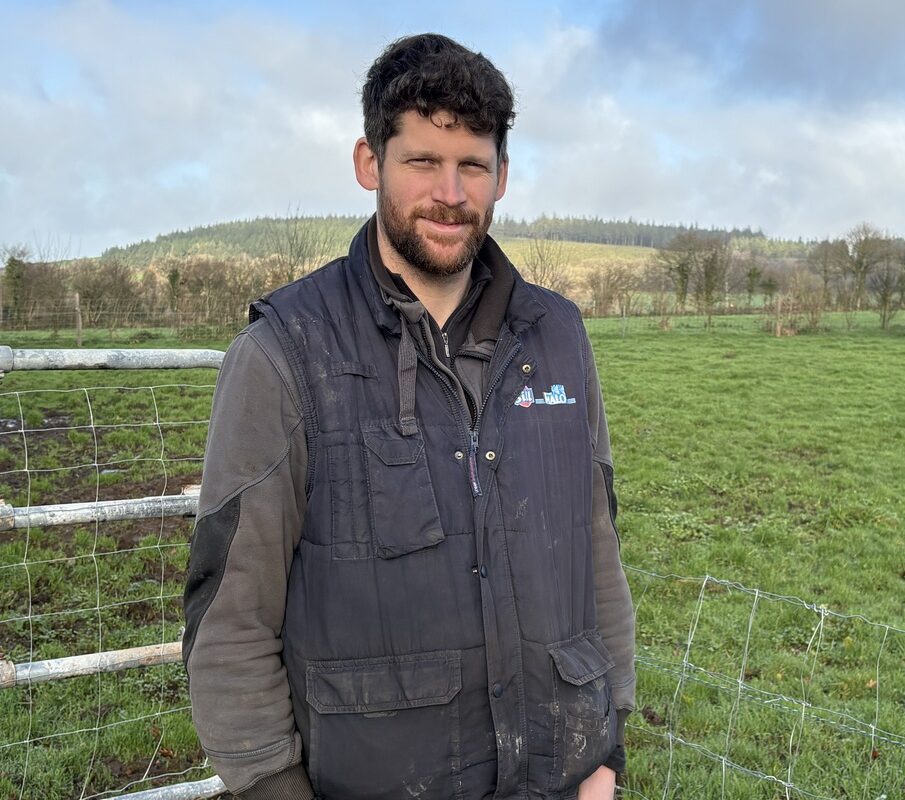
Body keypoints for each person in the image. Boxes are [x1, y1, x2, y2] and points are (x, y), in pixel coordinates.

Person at [182, 33, 636, 800]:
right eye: (423, 161)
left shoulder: (558, 335)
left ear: (502, 176)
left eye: (472, 166)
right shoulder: (285, 353)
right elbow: (230, 620)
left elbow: (596, 550)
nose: (450, 194)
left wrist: (607, 752)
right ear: (370, 163)